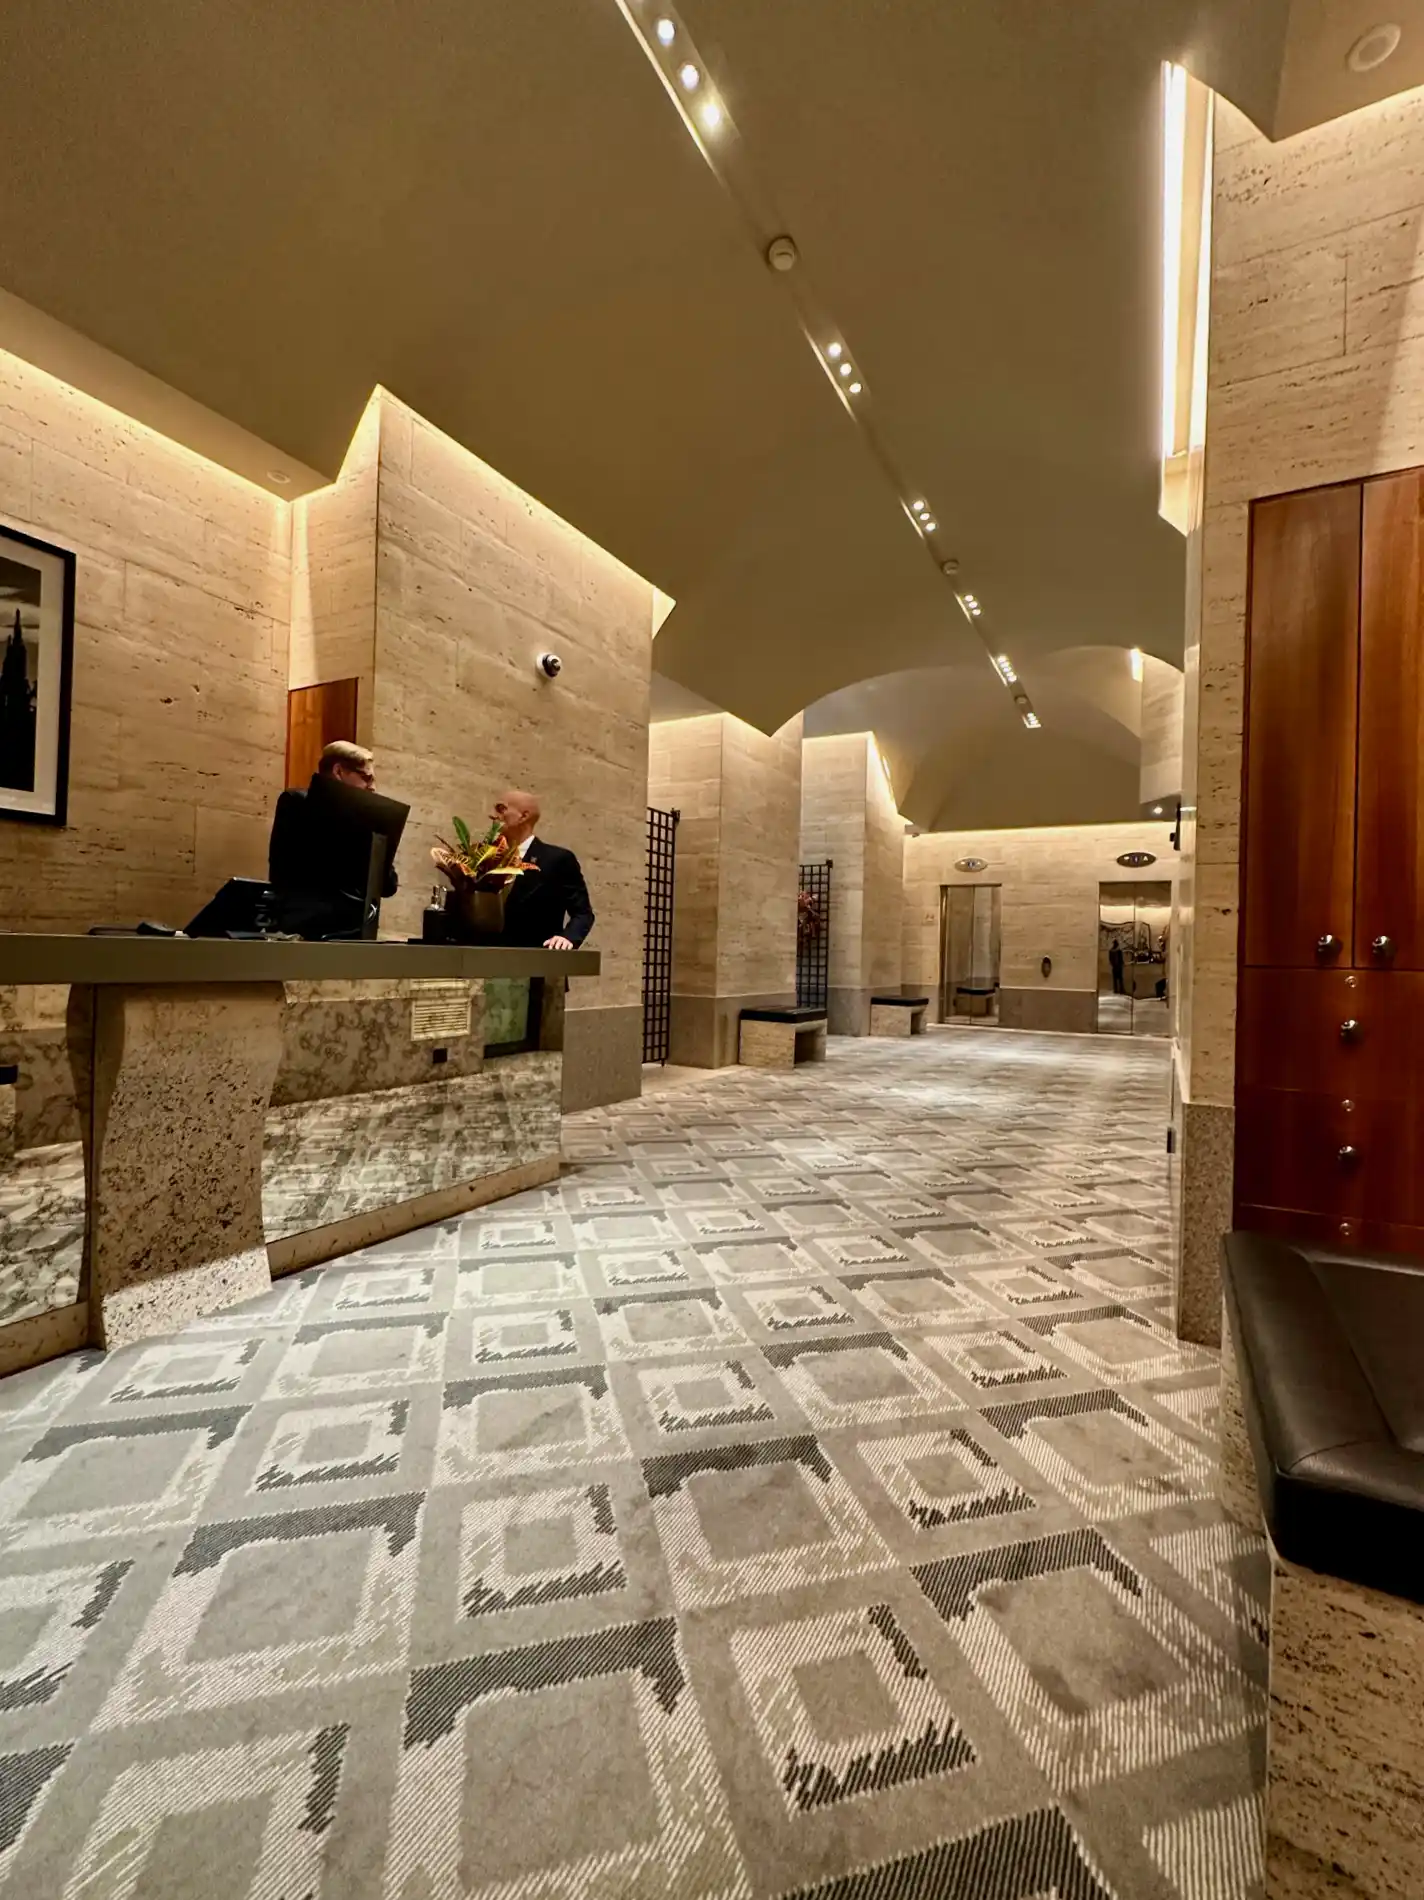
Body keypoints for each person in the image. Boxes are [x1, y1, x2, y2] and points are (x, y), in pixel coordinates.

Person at [268, 741, 400, 937]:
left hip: (354, 933)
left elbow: (388, 886)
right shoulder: (297, 803)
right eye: (366, 778)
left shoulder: (368, 820)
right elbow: (285, 870)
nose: (373, 788)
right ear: (339, 772)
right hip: (305, 932)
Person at [490, 789, 594, 949]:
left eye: (501, 808)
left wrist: (567, 938)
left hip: (536, 963)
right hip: (488, 962)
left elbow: (583, 913)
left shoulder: (556, 859)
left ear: (523, 816)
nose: (493, 815)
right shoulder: (485, 859)